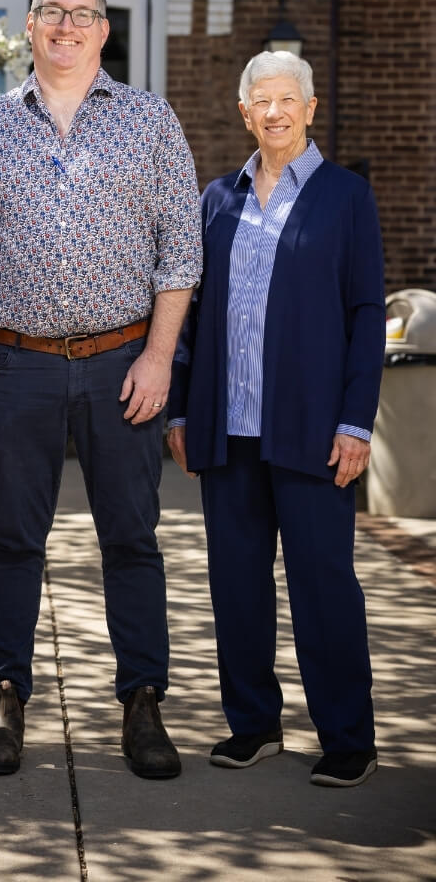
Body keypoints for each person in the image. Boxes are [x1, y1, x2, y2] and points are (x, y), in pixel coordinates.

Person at [0, 0, 202, 779]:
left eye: (83, 14)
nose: (66, 26)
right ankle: (4, 698)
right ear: (29, 26)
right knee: (13, 538)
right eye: (52, 12)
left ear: (104, 29)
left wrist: (160, 358)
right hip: (15, 366)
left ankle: (142, 705)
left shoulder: (151, 122)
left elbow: (180, 253)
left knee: (132, 537)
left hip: (121, 364)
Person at [167, 50, 385, 788]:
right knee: (237, 585)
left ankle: (348, 735)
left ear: (311, 109)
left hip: (314, 430)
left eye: (288, 99)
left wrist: (356, 422)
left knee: (324, 584)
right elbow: (191, 312)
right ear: (243, 113)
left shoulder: (346, 197)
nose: (275, 111)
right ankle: (253, 724)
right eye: (261, 100)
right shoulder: (217, 200)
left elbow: (365, 316)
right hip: (227, 429)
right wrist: (179, 405)